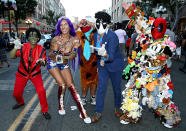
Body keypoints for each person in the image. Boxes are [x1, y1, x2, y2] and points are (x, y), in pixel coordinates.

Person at [47, 17, 91, 124]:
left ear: (69, 25)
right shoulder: (55, 39)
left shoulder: (75, 39)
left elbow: (72, 57)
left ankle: (83, 113)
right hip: (53, 63)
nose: (63, 27)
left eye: (65, 24)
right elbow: (51, 55)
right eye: (61, 25)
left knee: (72, 87)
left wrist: (72, 50)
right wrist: (57, 52)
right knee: (62, 85)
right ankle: (61, 105)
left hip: (64, 64)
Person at [9, 28, 51, 120]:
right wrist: (15, 48)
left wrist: (42, 61)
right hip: (22, 73)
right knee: (16, 93)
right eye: (31, 35)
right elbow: (11, 56)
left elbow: (44, 63)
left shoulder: (41, 49)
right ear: (27, 37)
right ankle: (20, 102)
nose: (33, 37)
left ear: (38, 38)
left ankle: (45, 110)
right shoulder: (23, 47)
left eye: (35, 35)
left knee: (41, 91)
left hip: (35, 73)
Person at [91, 11, 125, 122]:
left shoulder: (112, 36)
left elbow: (110, 56)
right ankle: (98, 112)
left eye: (102, 22)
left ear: (107, 24)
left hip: (115, 66)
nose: (99, 25)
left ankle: (117, 107)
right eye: (97, 22)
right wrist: (94, 51)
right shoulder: (95, 35)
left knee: (116, 88)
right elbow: (97, 52)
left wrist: (103, 54)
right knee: (101, 88)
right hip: (102, 66)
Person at [76, 19, 97, 106]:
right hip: (83, 62)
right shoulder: (79, 34)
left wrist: (90, 23)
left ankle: (93, 97)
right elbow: (69, 31)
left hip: (93, 62)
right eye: (83, 24)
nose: (85, 25)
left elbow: (99, 28)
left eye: (86, 24)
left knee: (94, 80)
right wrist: (78, 24)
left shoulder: (94, 34)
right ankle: (84, 97)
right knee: (84, 80)